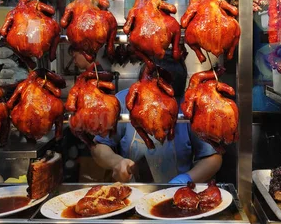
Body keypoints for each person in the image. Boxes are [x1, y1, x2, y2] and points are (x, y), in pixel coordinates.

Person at [86, 52, 223, 184]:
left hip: (177, 195)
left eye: (169, 100)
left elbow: (212, 158)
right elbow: (99, 146)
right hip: (132, 194)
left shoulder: (187, 105)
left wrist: (185, 180)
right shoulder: (123, 101)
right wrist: (116, 162)